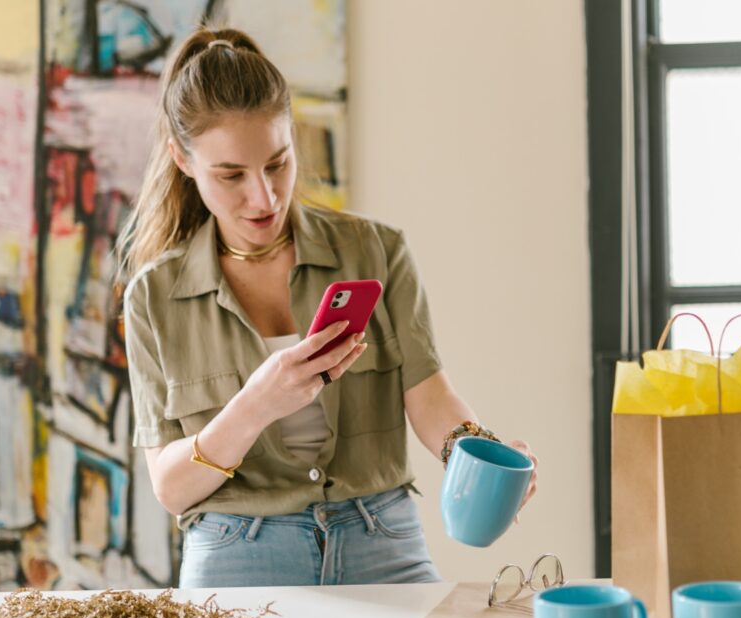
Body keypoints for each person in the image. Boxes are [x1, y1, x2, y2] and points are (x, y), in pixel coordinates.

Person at [119, 26, 538, 589]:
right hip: (237, 550)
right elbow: (171, 487)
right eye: (231, 175)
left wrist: (479, 454)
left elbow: (428, 394)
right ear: (183, 160)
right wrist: (257, 404)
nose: (264, 196)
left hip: (380, 537)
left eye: (278, 162)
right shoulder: (153, 296)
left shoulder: (375, 250)